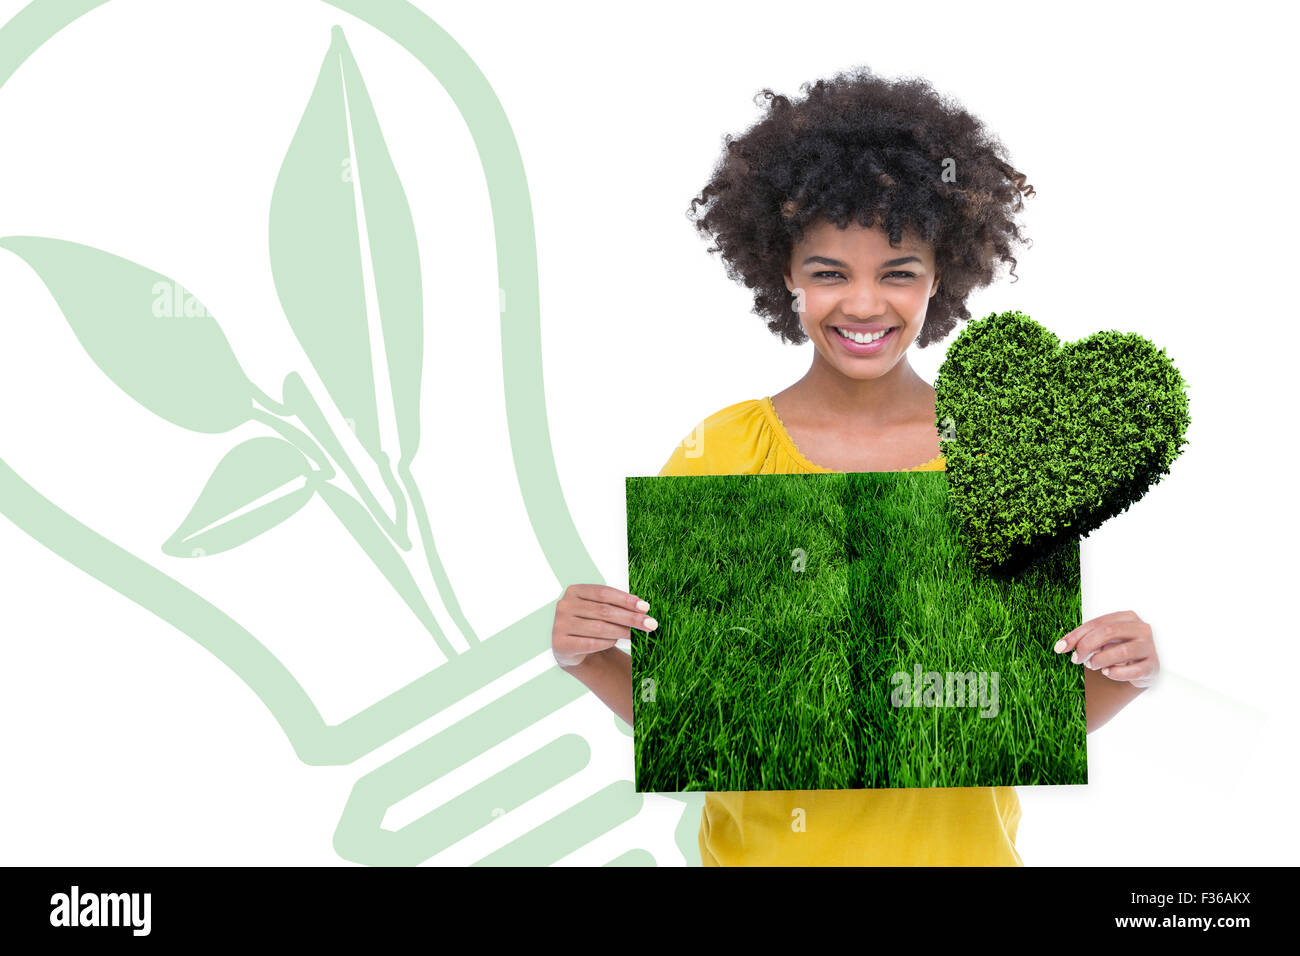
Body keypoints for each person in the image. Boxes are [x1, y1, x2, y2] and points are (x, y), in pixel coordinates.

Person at [551, 66, 1159, 865]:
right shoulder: (721, 454)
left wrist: (1127, 674)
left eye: (897, 272)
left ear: (940, 277)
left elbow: (1012, 715)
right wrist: (587, 659)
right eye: (829, 272)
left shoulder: (1001, 454)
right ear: (785, 277)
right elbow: (700, 715)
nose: (865, 305)